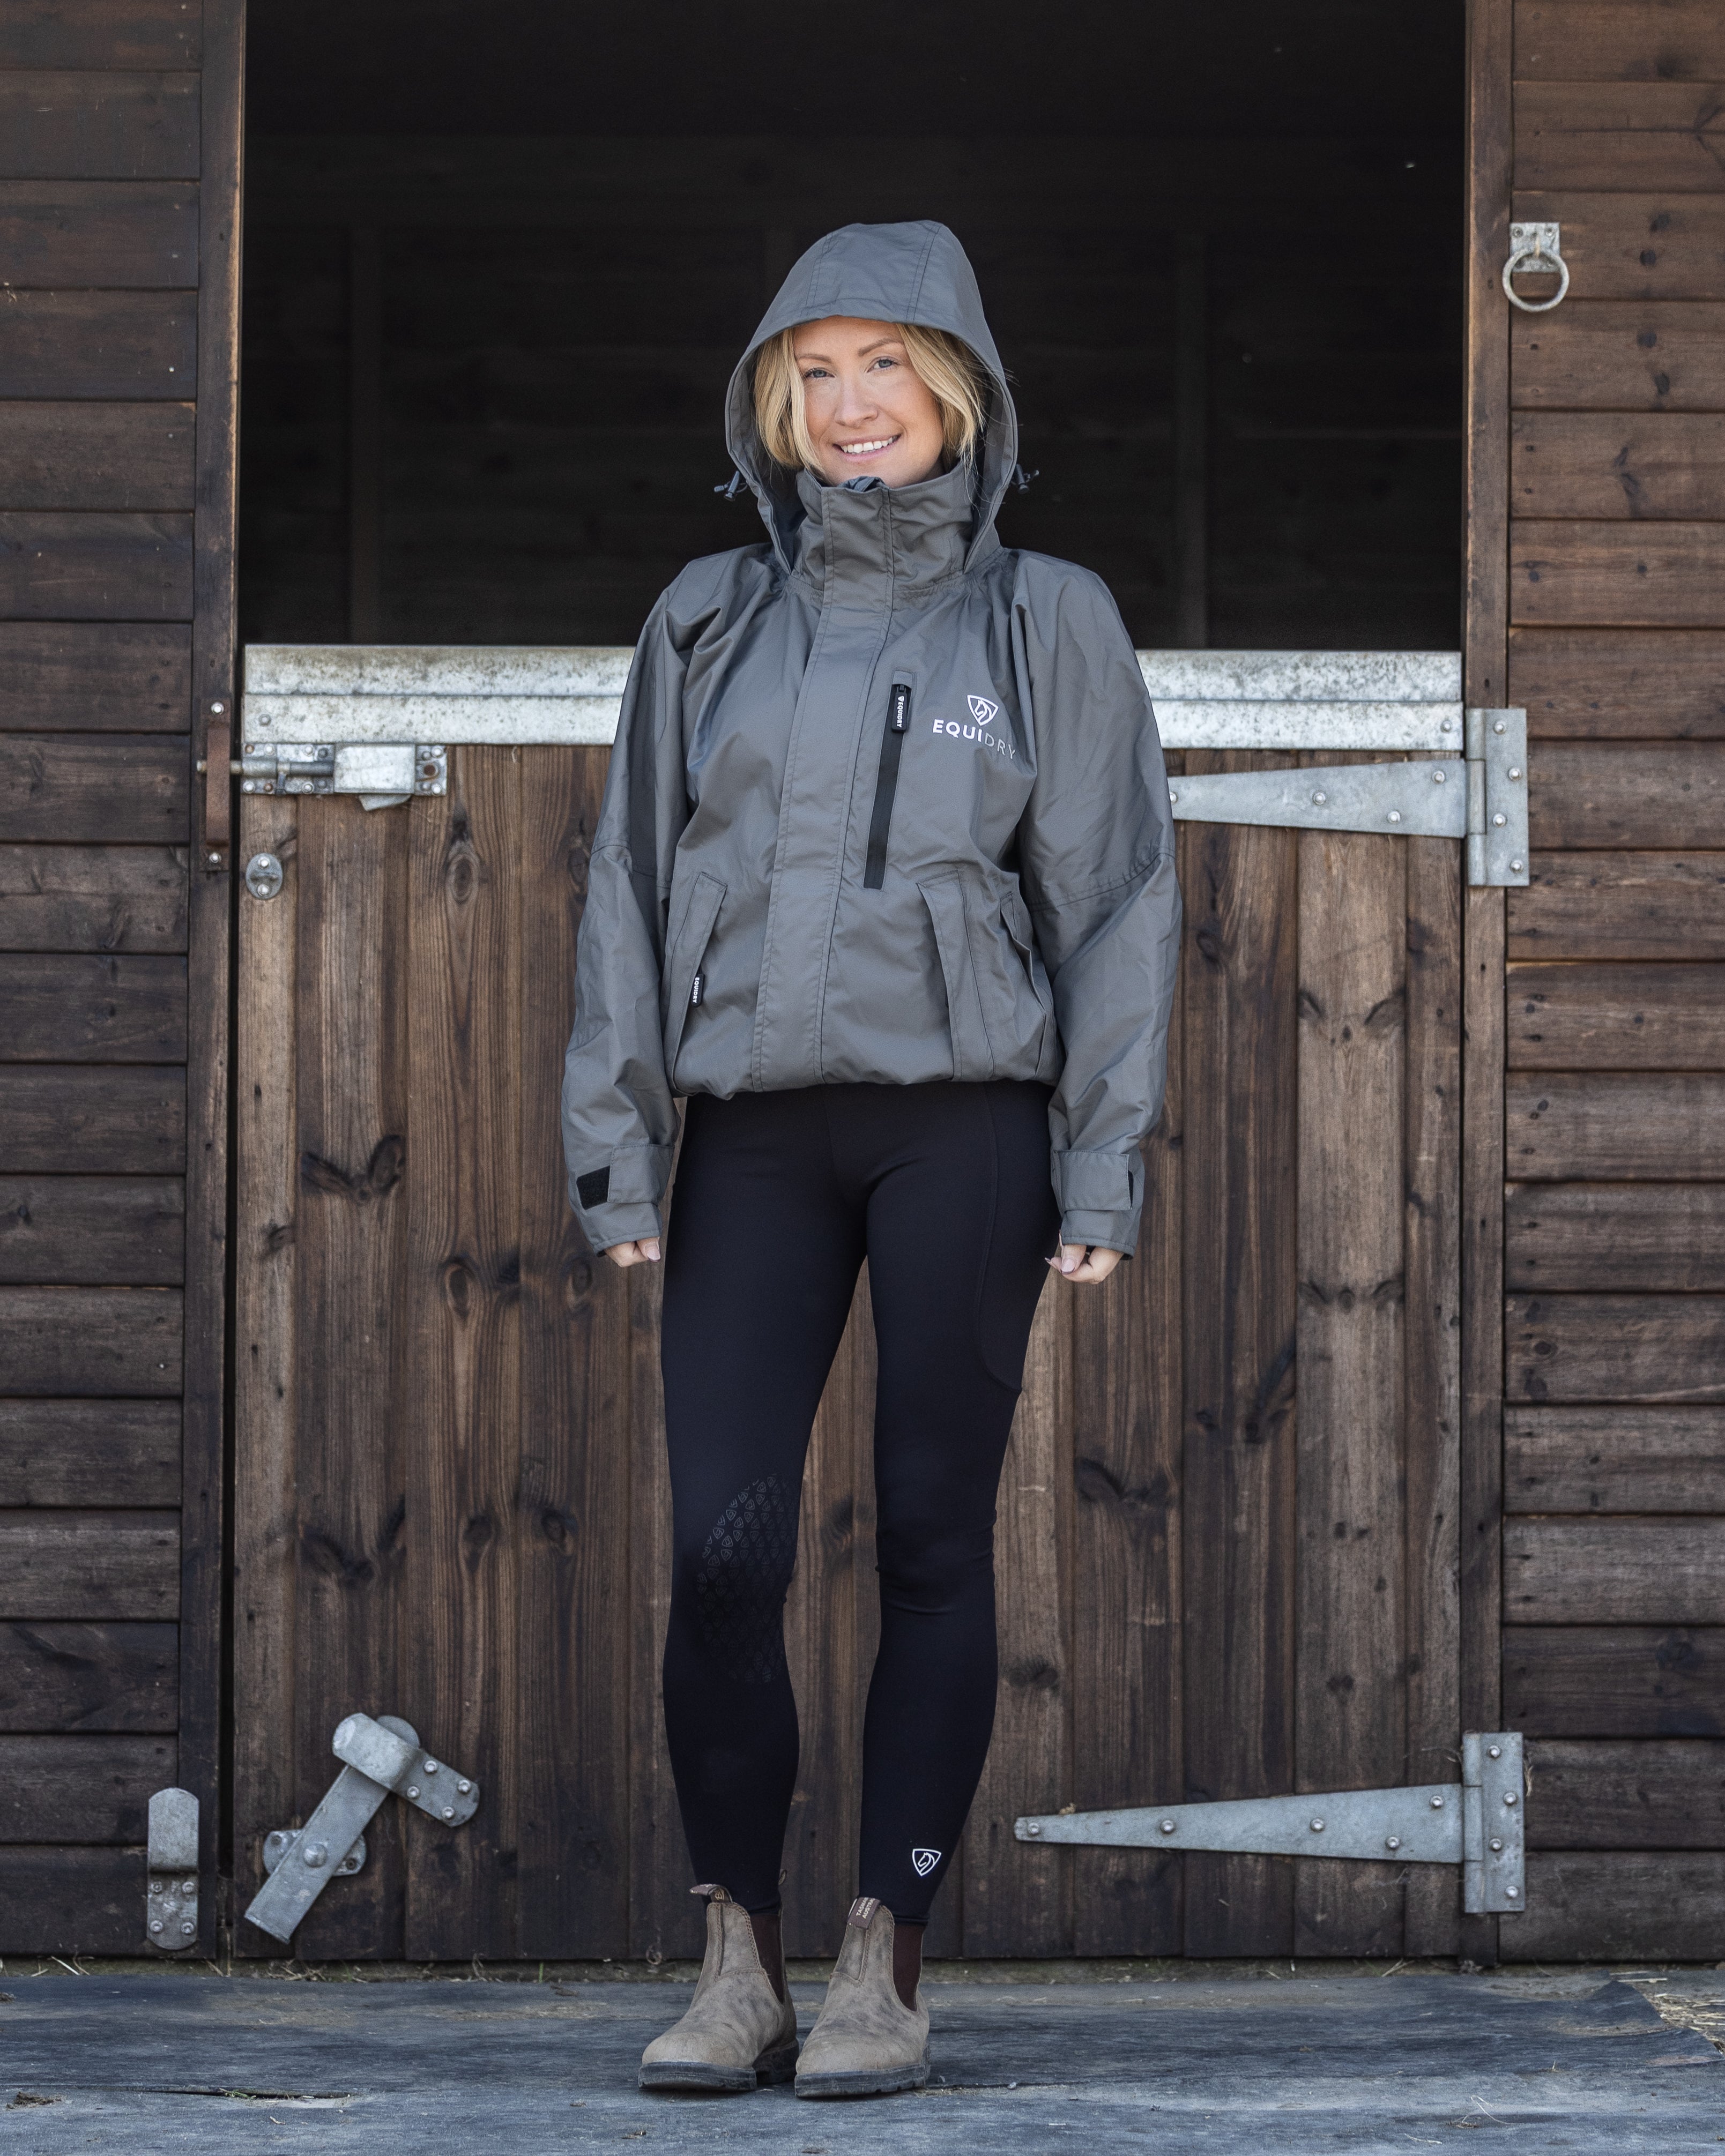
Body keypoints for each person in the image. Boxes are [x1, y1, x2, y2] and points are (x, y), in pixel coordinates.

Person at [562, 220, 1179, 2100]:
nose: (849, 406)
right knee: (722, 1554)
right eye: (813, 374)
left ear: (956, 392)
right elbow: (628, 885)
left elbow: (1112, 901)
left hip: (961, 1132)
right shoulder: (706, 618)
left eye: (885, 368)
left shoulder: (1045, 618)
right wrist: (614, 1142)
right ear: (773, 403)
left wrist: (1102, 1162)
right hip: (749, 1138)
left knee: (926, 1538)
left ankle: (880, 1963)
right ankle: (734, 1959)